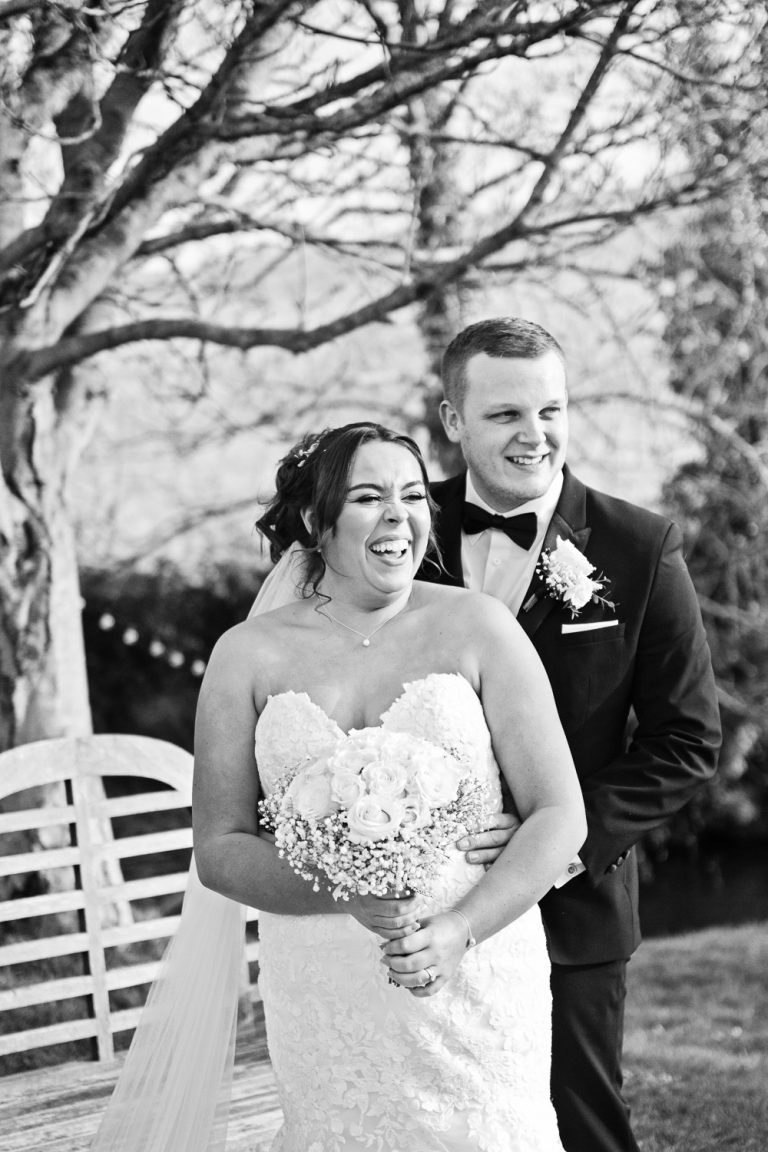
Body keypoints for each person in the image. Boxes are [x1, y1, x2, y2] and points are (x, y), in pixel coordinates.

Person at [190, 421, 586, 1151]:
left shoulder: (480, 627)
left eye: (412, 495)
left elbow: (560, 814)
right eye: (369, 497)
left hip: (473, 971)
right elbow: (219, 847)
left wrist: (462, 929)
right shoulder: (244, 655)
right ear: (316, 519)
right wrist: (341, 889)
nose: (399, 516)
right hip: (322, 984)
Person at [420, 318, 722, 1152]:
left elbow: (687, 740)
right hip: (417, 897)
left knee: (582, 1127)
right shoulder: (401, 530)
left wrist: (554, 843)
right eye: (506, 414)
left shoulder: (639, 547)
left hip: (573, 908)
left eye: (551, 410)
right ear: (452, 420)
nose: (536, 435)